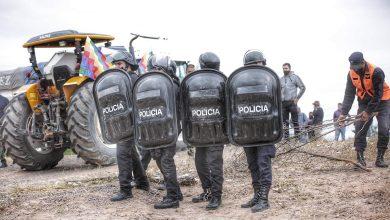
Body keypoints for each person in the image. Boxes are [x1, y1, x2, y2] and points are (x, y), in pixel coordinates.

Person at [110, 51, 150, 202]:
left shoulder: (132, 79)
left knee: (122, 153)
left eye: (119, 64)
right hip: (128, 122)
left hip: (130, 123)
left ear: (128, 64)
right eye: (115, 64)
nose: (117, 67)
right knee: (131, 152)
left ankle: (125, 189)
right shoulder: (127, 79)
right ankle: (142, 182)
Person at [338, 52, 389, 168]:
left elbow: (378, 95)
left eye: (357, 67)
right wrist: (343, 113)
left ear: (363, 62)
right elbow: (349, 94)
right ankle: (360, 159)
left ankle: (380, 158)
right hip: (364, 101)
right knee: (359, 126)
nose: (355, 70)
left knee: (384, 128)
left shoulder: (376, 71)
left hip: (382, 101)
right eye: (352, 67)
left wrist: (368, 112)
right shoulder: (351, 73)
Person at [240, 50, 276, 213]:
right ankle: (257, 195)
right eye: (252, 65)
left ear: (263, 63)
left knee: (263, 164)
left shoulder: (270, 80)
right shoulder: (241, 82)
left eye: (257, 64)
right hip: (248, 132)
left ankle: (264, 199)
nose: (255, 68)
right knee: (253, 165)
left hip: (266, 131)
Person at [148, 55, 183, 209]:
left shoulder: (173, 85)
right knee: (157, 157)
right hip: (157, 129)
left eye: (159, 69)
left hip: (169, 128)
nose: (156, 71)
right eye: (155, 69)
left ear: (168, 70)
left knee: (166, 160)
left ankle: (173, 198)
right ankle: (176, 191)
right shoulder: (157, 85)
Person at [190, 52, 224, 210]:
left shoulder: (221, 80)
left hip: (216, 131)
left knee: (215, 164)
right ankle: (208, 191)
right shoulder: (196, 82)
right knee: (200, 162)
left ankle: (216, 197)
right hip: (201, 130)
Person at [281, 63, 306, 138]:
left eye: (286, 68)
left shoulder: (295, 77)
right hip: (283, 103)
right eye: (283, 68)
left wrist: (297, 98)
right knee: (285, 123)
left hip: (292, 102)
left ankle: (297, 138)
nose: (284, 70)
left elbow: (303, 88)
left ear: (289, 68)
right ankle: (286, 139)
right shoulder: (280, 79)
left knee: (295, 121)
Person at [0, 94, 9, 168]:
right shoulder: (5, 99)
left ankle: (2, 161)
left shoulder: (4, 100)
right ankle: (2, 162)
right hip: (4, 124)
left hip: (2, 124)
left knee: (1, 144)